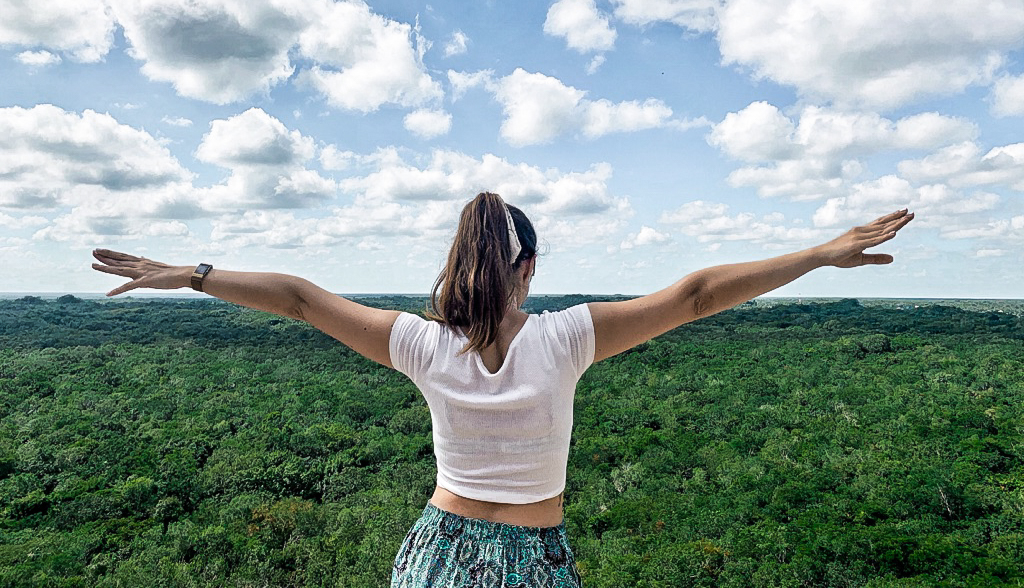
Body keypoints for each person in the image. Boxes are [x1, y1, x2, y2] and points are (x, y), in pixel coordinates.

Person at [92, 192, 914, 587]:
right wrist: (816, 252)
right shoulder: (566, 338)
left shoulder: (417, 344)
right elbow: (698, 293)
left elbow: (303, 300)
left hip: (433, 552)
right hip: (533, 556)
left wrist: (195, 274)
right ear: (529, 268)